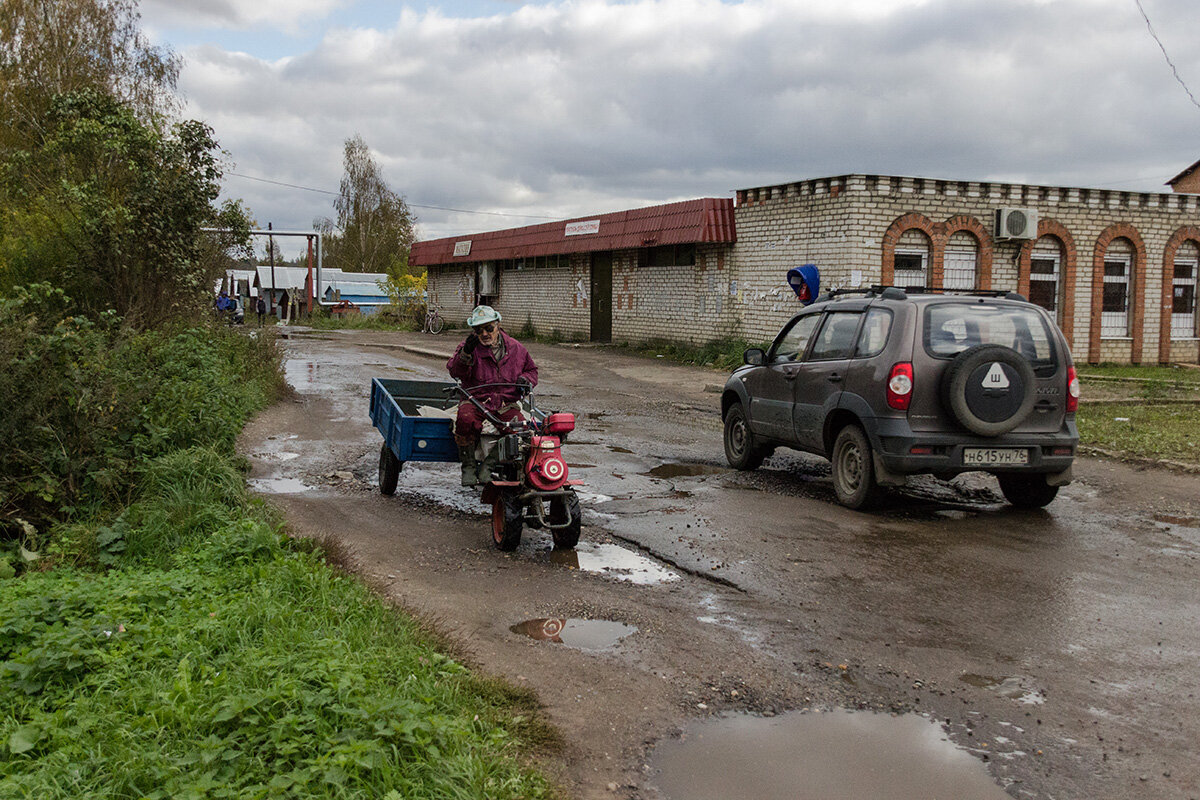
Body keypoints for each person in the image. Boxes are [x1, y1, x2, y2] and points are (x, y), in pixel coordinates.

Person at [446, 305, 538, 486]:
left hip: (506, 402)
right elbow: (455, 371)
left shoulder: (516, 348)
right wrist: (465, 354)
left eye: (489, 328)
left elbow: (532, 370)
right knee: (465, 419)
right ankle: (469, 468)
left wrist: (525, 380)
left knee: (520, 429)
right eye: (479, 330)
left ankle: (488, 466)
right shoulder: (468, 348)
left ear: (498, 325)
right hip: (476, 400)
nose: (485, 334)